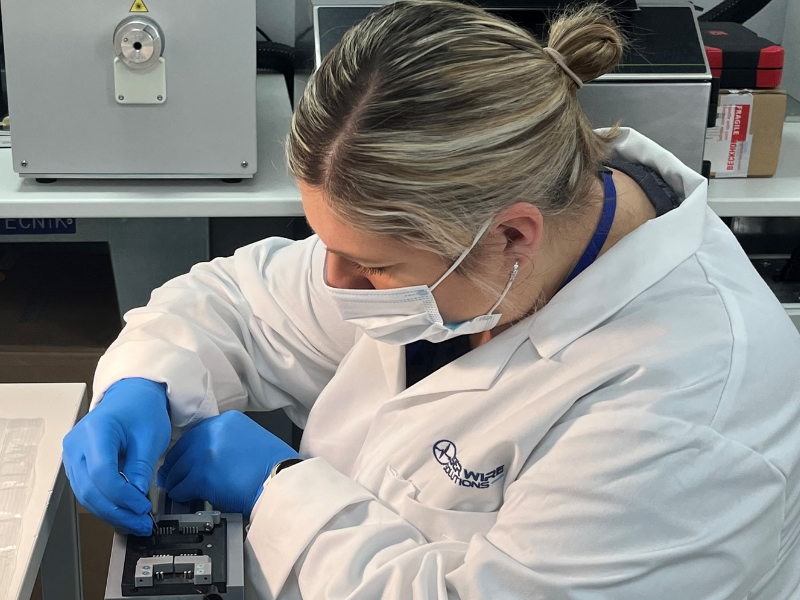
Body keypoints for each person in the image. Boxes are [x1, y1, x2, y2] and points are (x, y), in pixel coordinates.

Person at [63, 2, 800, 598]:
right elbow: (238, 303)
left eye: (374, 267)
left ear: (512, 234)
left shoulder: (688, 412)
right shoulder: (486, 247)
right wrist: (144, 382)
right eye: (331, 249)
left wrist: (277, 488)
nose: (335, 283)